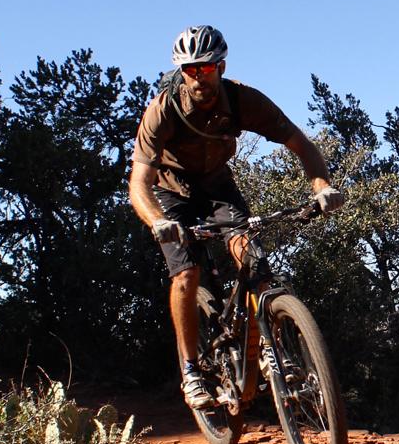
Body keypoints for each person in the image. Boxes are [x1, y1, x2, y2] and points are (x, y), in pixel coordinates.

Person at [129, 25, 344, 409]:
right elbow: (138, 184)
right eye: (190, 69)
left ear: (220, 67)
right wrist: (158, 221)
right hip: (170, 191)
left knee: (253, 257)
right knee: (186, 273)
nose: (198, 76)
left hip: (216, 185)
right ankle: (191, 369)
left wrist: (322, 188)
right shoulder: (162, 110)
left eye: (206, 68)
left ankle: (270, 346)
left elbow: (301, 144)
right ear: (181, 71)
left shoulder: (244, 101)